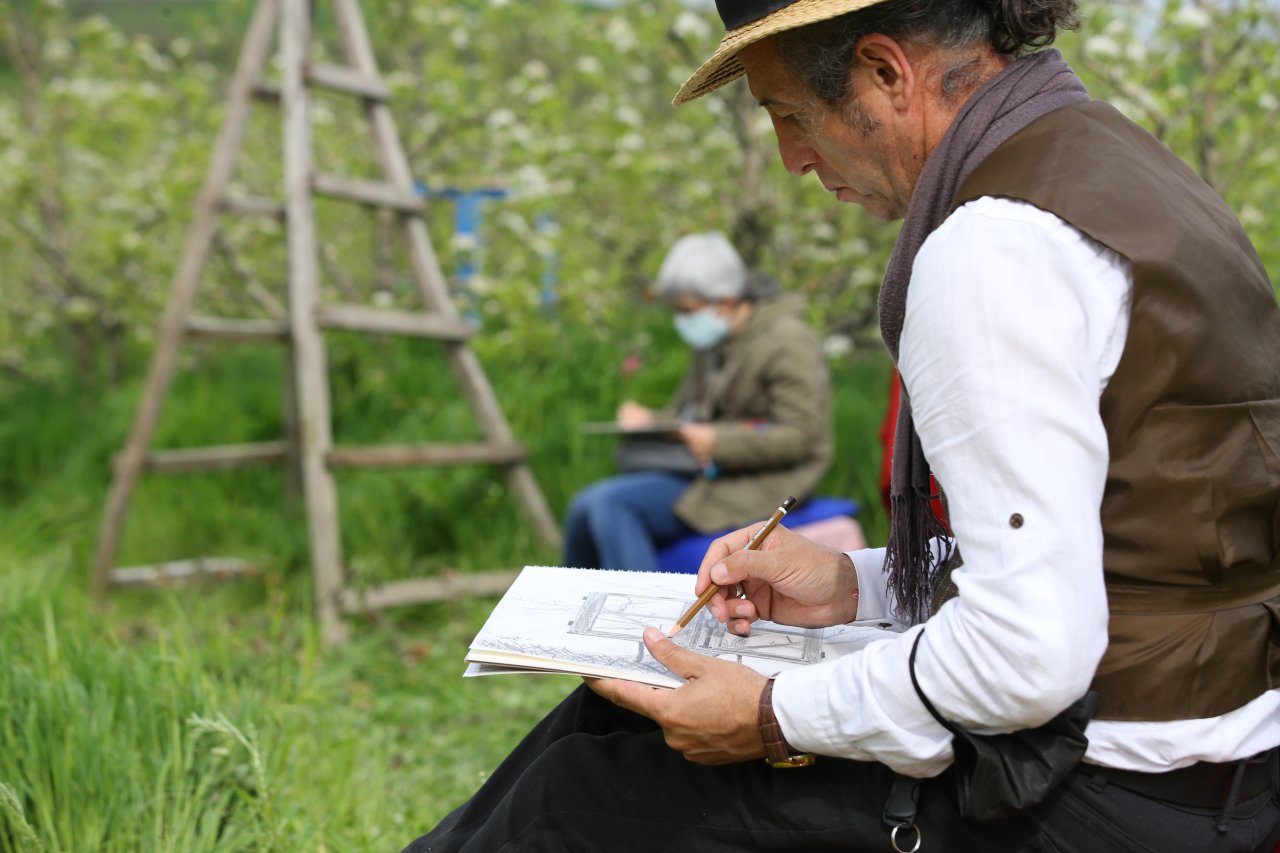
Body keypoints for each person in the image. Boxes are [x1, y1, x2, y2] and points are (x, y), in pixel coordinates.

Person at [405, 2, 1280, 850]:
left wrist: (769, 714)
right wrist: (853, 586)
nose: (791, 157)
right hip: (1214, 765)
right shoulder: (1123, 171)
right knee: (610, 720)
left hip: (1109, 792)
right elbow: (1104, 555)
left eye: (789, 113)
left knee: (581, 794)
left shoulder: (992, 250)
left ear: (885, 73)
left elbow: (1026, 654)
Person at [562, 231, 832, 573]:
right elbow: (688, 415)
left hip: (759, 481)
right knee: (582, 507)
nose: (682, 321)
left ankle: (641, 603)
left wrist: (718, 442)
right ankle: (570, 603)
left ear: (726, 302)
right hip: (704, 472)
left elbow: (801, 436)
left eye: (687, 310)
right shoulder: (715, 340)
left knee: (610, 505)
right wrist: (652, 421)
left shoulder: (788, 342)